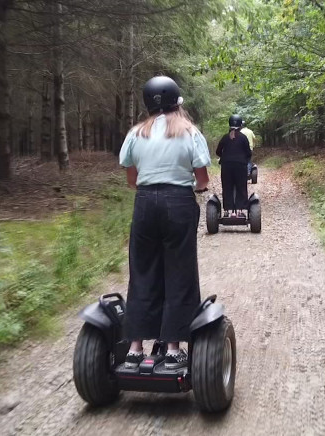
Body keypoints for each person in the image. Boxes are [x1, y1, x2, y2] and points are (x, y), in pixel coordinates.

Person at [118, 76, 211, 370]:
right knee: (179, 272)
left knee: (142, 271)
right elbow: (203, 180)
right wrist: (189, 188)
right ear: (176, 102)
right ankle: (172, 349)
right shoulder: (189, 132)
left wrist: (152, 189)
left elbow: (131, 180)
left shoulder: (136, 133)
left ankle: (135, 349)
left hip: (145, 204)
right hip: (178, 204)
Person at [216, 115, 252, 218]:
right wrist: (244, 159)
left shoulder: (225, 137)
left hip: (226, 165)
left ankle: (229, 210)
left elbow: (218, 151)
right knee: (241, 186)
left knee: (227, 187)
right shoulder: (243, 138)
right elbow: (248, 153)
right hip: (240, 165)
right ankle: (240, 211)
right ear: (240, 125)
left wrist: (225, 157)